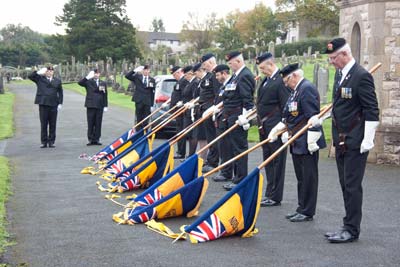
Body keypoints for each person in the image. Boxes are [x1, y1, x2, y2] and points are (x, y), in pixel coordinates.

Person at [309, 38, 379, 243]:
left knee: (352, 186)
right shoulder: (341, 74)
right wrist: (321, 117)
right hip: (341, 140)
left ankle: (352, 229)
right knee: (344, 184)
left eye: (333, 58)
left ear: (345, 54)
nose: (331, 62)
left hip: (356, 141)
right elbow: (341, 105)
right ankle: (347, 225)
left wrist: (368, 138)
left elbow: (372, 109)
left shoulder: (361, 76)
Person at [269, 63, 326, 222]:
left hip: (307, 140)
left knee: (308, 177)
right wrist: (282, 128)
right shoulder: (295, 91)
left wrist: (312, 139)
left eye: (287, 80)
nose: (285, 84)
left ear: (294, 76)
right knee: (301, 177)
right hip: (296, 140)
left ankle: (307, 211)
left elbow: (313, 117)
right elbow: (289, 114)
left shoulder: (306, 88)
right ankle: (301, 207)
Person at [256, 52, 291, 207]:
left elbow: (286, 106)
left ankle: (275, 196)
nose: (262, 71)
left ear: (271, 64)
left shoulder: (280, 80)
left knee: (277, 161)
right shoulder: (266, 80)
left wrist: (284, 127)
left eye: (263, 67)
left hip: (275, 126)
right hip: (264, 126)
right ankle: (269, 193)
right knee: (268, 160)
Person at [221, 51, 255, 191]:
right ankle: (236, 177)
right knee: (234, 148)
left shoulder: (245, 75)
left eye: (231, 63)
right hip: (231, 117)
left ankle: (241, 178)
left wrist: (246, 117)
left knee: (239, 149)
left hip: (238, 117)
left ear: (238, 61)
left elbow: (247, 99)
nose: (229, 66)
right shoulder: (236, 76)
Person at [211, 64, 237, 183]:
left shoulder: (231, 83)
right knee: (223, 147)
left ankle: (227, 172)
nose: (216, 77)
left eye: (217, 75)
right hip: (220, 119)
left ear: (224, 73)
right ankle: (225, 171)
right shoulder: (223, 86)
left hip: (226, 118)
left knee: (227, 147)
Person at [28, 65, 63, 148]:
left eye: (51, 71)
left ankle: (51, 141)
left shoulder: (57, 81)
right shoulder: (40, 79)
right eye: (48, 71)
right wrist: (38, 72)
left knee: (52, 123)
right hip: (43, 104)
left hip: (54, 104)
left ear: (53, 72)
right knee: (44, 124)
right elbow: (30, 76)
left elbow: (60, 92)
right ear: (45, 72)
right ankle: (44, 141)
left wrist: (60, 103)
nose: (50, 72)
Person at [199, 53, 221, 172]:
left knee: (213, 137)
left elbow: (217, 93)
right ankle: (210, 159)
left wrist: (214, 109)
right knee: (209, 136)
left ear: (210, 62)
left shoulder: (215, 74)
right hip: (205, 109)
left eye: (205, 64)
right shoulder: (208, 75)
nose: (204, 66)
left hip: (211, 109)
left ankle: (213, 162)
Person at [78, 69, 108, 146]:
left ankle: (97, 139)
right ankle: (91, 139)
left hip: (99, 105)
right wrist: (87, 77)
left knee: (98, 123)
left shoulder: (103, 83)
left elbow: (105, 95)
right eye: (95, 73)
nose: (96, 75)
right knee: (91, 122)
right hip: (91, 104)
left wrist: (105, 105)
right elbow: (80, 83)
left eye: (97, 73)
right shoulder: (88, 82)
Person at [125, 65, 155, 130]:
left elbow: (152, 92)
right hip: (139, 100)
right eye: (144, 70)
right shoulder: (137, 77)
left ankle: (144, 133)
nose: (146, 71)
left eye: (147, 70)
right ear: (142, 71)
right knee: (138, 118)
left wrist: (152, 104)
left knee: (146, 119)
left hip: (147, 101)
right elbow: (127, 76)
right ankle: (138, 132)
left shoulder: (152, 80)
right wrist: (134, 70)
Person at [170, 66, 189, 159]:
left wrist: (181, 102)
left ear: (178, 73)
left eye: (174, 75)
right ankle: (180, 150)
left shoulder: (184, 81)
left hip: (181, 110)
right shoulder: (179, 82)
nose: (174, 77)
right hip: (177, 109)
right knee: (178, 130)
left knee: (181, 131)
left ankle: (181, 152)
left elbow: (185, 95)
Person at [181, 65, 199, 157]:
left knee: (192, 134)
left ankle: (191, 155)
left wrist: (190, 103)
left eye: (186, 75)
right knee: (188, 133)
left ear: (190, 74)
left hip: (192, 111)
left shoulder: (195, 83)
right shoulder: (189, 83)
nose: (185, 77)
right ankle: (189, 154)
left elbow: (195, 97)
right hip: (187, 110)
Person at [192, 63, 208, 160]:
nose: (195, 75)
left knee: (204, 136)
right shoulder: (201, 81)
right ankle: (202, 158)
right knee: (200, 136)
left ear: (200, 71)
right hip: (199, 109)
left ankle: (204, 158)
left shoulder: (207, 79)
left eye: (196, 73)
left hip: (206, 109)